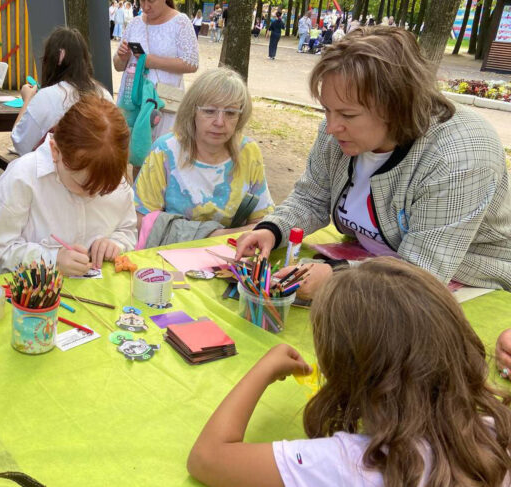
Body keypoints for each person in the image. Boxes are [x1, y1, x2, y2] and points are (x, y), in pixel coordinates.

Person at [235, 26, 511, 300]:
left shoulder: (460, 154)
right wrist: (273, 229)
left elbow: (423, 274)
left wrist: (337, 275)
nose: (331, 127)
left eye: (348, 115)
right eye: (327, 110)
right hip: (373, 261)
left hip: (468, 283)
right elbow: (311, 199)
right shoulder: (338, 134)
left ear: (396, 105)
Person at [188, 257, 511, 487]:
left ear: (342, 368)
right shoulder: (497, 428)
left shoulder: (353, 464)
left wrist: (263, 368)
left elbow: (207, 459)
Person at [0, 96, 137, 276]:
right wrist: (51, 260)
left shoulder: (113, 179)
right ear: (55, 151)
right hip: (31, 291)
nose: (91, 195)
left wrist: (115, 244)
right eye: (84, 186)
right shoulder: (23, 178)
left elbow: (127, 230)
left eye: (103, 190)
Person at [134, 68, 273, 247]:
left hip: (230, 257)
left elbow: (263, 223)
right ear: (192, 111)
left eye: (230, 113)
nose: (219, 122)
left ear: (241, 116)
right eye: (209, 111)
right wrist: (216, 235)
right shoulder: (165, 151)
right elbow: (141, 222)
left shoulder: (248, 152)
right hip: (169, 256)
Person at [12, 27, 113, 156]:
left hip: (57, 167)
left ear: (50, 61)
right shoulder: (104, 94)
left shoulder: (46, 97)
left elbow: (20, 143)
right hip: (97, 165)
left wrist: (27, 100)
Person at [113, 0, 199, 140]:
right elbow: (118, 66)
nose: (145, 6)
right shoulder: (135, 23)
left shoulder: (180, 22)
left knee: (159, 148)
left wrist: (151, 61)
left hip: (163, 103)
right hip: (132, 102)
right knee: (132, 146)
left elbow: (192, 63)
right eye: (142, 1)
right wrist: (122, 57)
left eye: (151, 1)